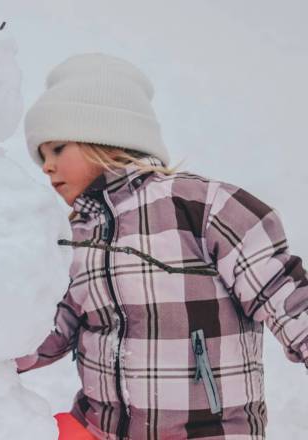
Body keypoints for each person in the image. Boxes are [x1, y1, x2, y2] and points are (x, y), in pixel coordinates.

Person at [17, 53, 308, 440]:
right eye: (41, 157)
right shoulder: (74, 237)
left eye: (57, 149)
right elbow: (49, 332)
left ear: (103, 137)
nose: (46, 166)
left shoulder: (202, 206)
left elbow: (283, 293)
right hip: (100, 430)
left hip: (203, 430)